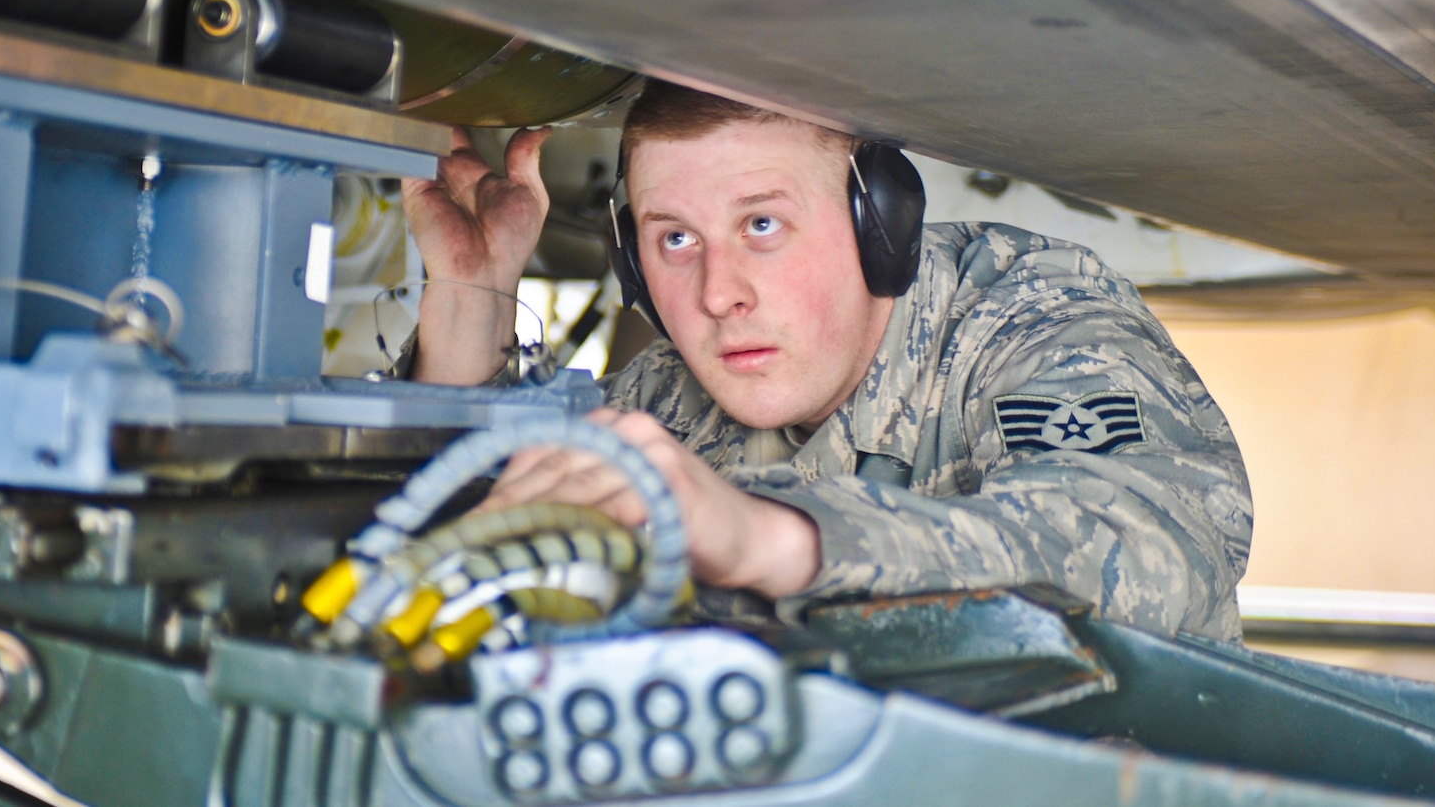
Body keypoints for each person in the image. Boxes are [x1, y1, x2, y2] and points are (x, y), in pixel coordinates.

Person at [401, 81, 1253, 640]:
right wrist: (471, 298)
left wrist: (772, 539)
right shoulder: (669, 394)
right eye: (675, 239)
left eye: (761, 225)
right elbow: (446, 561)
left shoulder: (1027, 311)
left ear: (879, 224)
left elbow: (1149, 547)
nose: (716, 294)